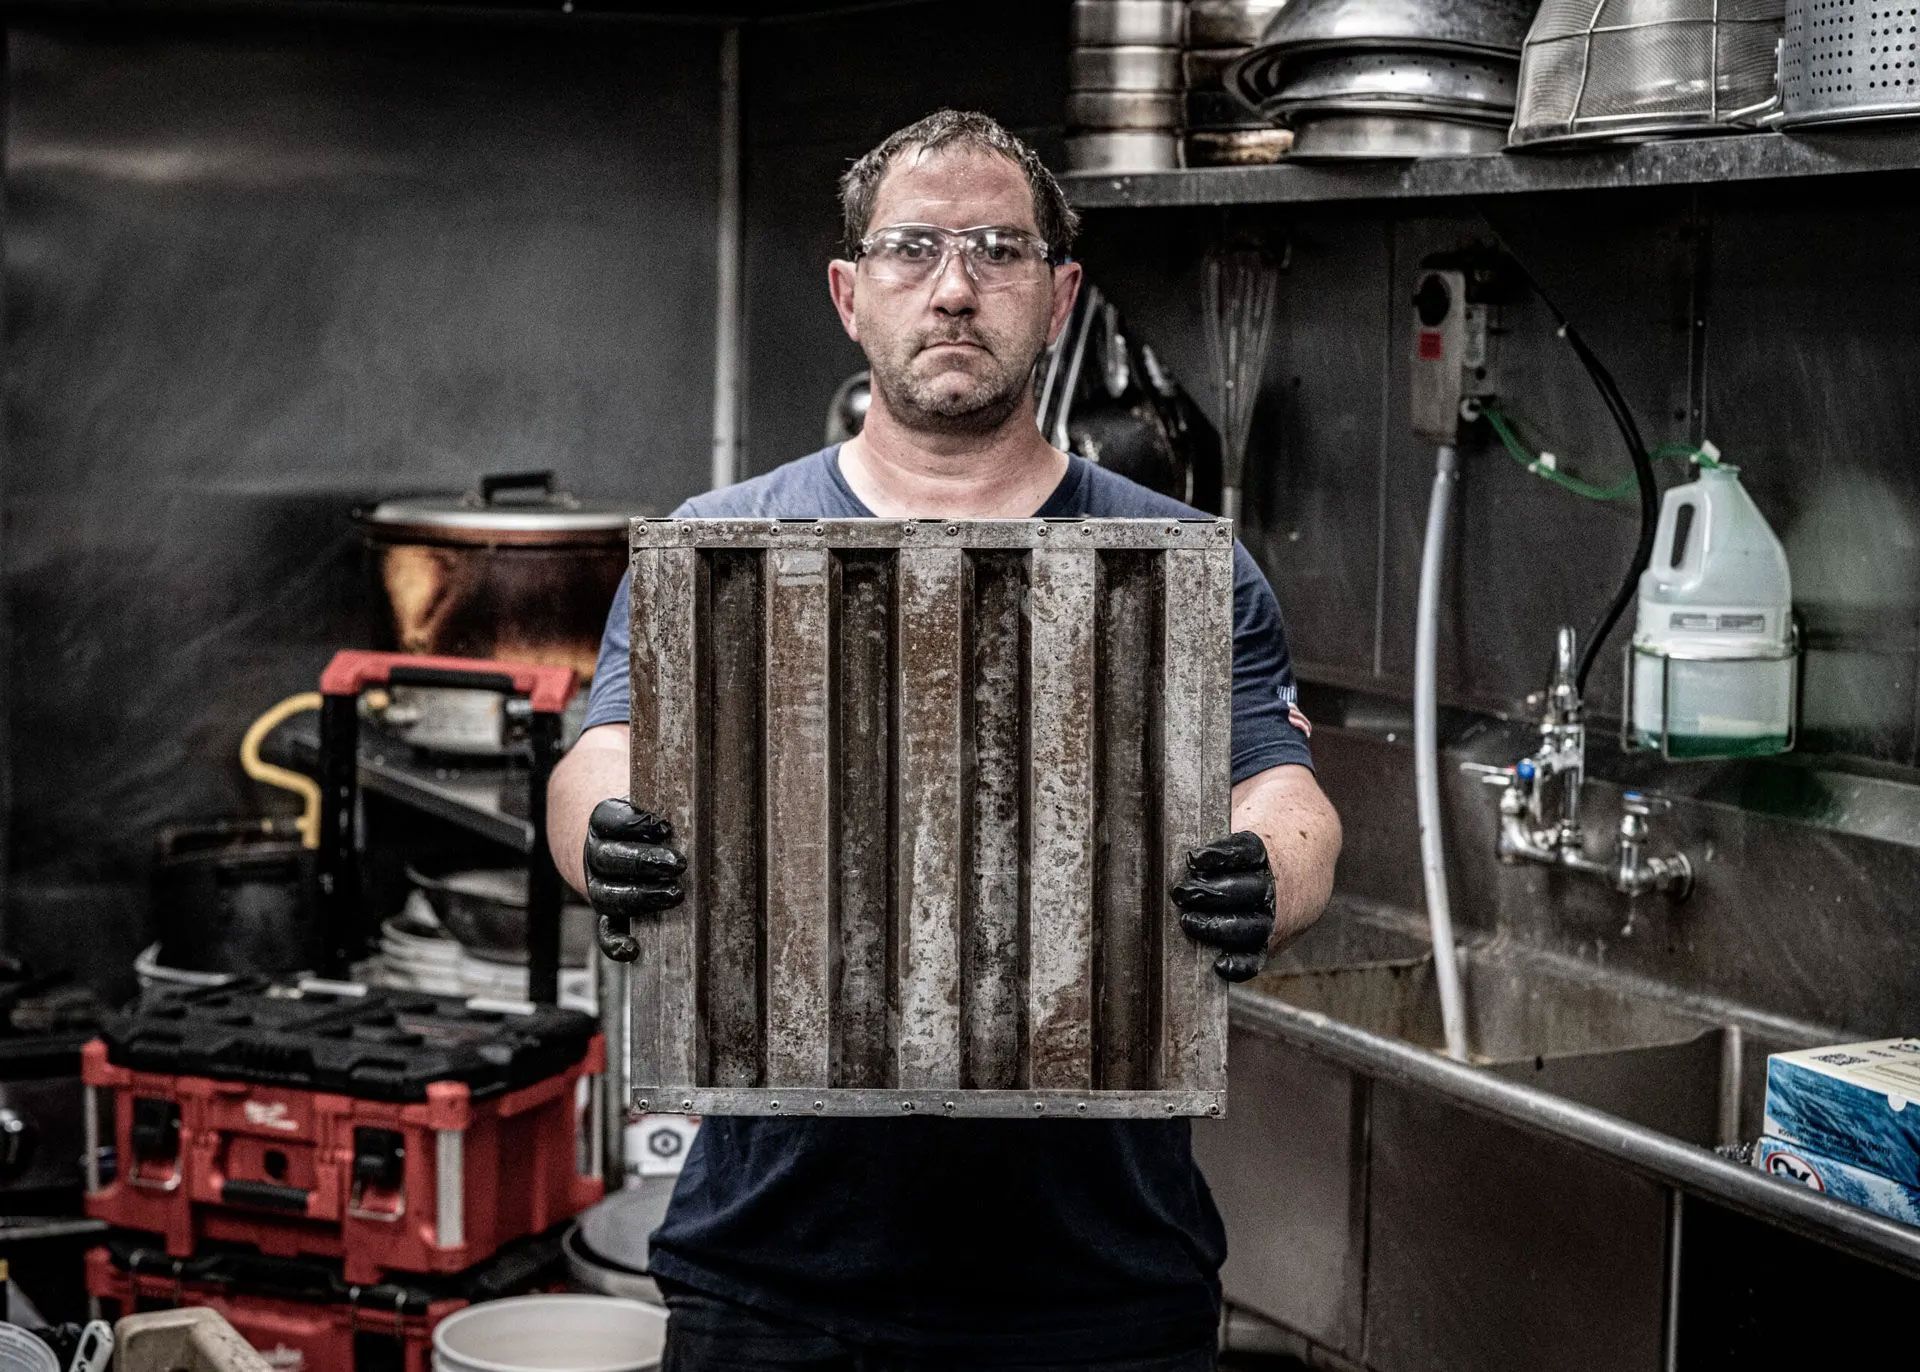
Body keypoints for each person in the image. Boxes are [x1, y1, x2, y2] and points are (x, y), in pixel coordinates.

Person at [547, 109, 1342, 1372]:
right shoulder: (718, 550)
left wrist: (1266, 873)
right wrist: (603, 834)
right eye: (914, 249)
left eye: (1000, 250)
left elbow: (1285, 795)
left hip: (1101, 1286)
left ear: (1062, 293)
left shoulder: (1184, 567)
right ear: (849, 291)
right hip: (774, 1272)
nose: (957, 287)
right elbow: (604, 754)